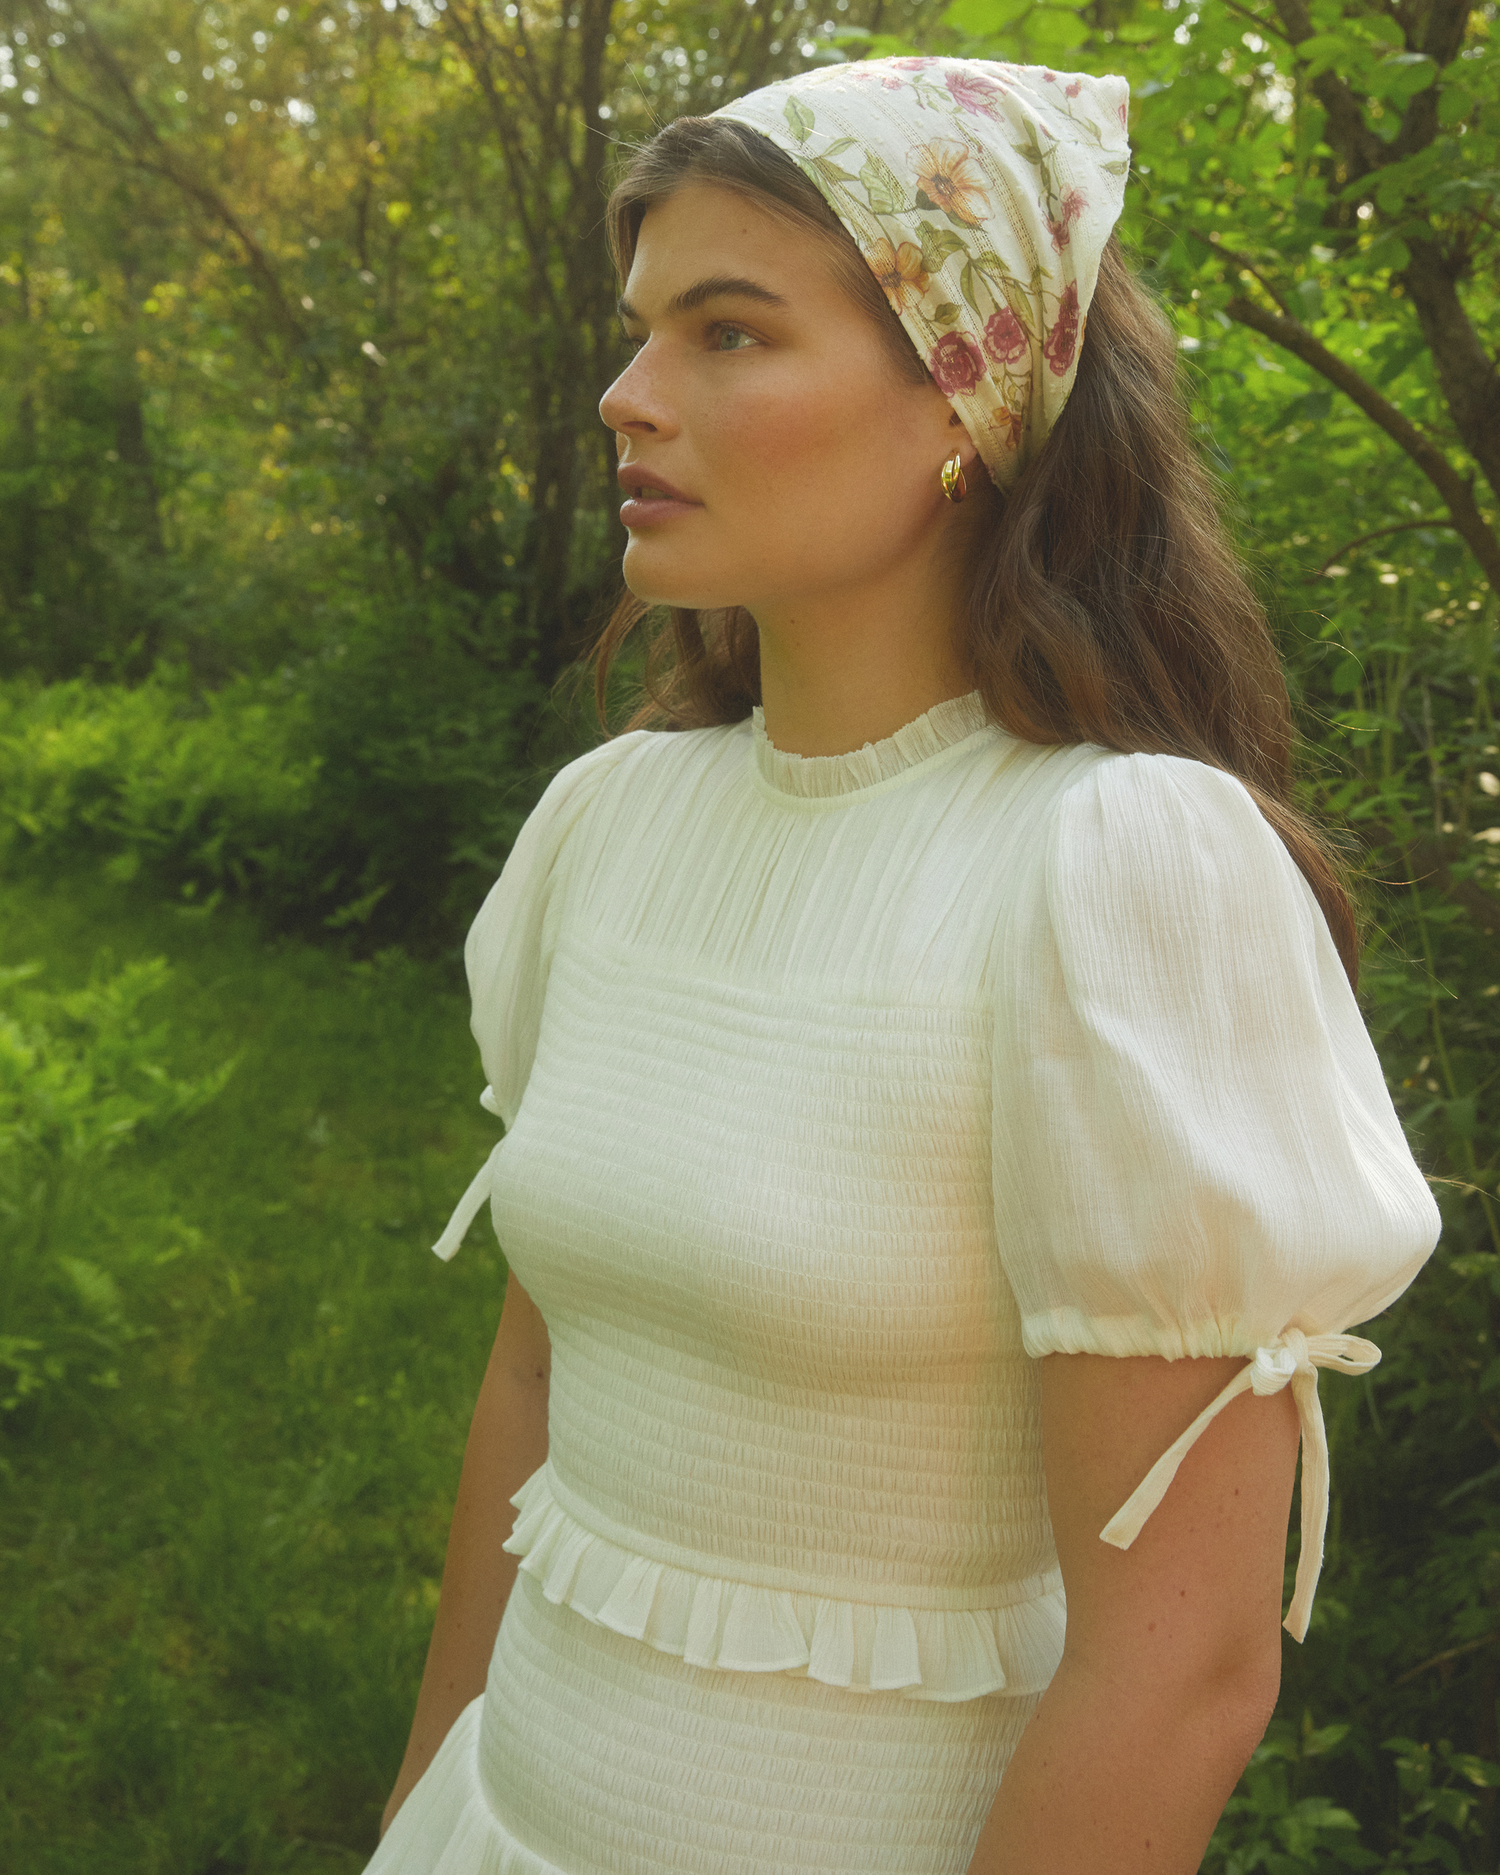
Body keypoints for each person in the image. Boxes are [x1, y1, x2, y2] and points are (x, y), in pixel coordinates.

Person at [363, 55, 1440, 1875]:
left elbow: (1182, 1671)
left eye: (728, 332)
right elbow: (539, 1384)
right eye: (641, 332)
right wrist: (419, 1799)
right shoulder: (610, 824)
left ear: (968, 388)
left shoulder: (1118, 873)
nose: (627, 397)